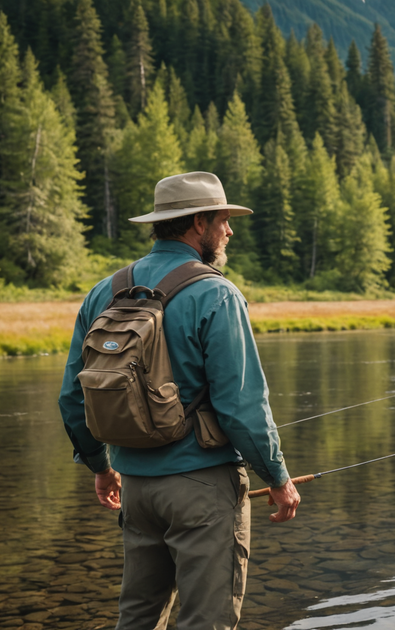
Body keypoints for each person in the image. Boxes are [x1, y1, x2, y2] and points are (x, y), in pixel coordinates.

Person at [58, 171, 301, 629]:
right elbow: (241, 407)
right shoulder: (217, 293)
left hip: (135, 489)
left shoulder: (103, 293)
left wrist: (100, 467)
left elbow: (73, 398)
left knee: (137, 619)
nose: (229, 230)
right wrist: (277, 477)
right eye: (223, 220)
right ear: (198, 223)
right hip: (203, 492)